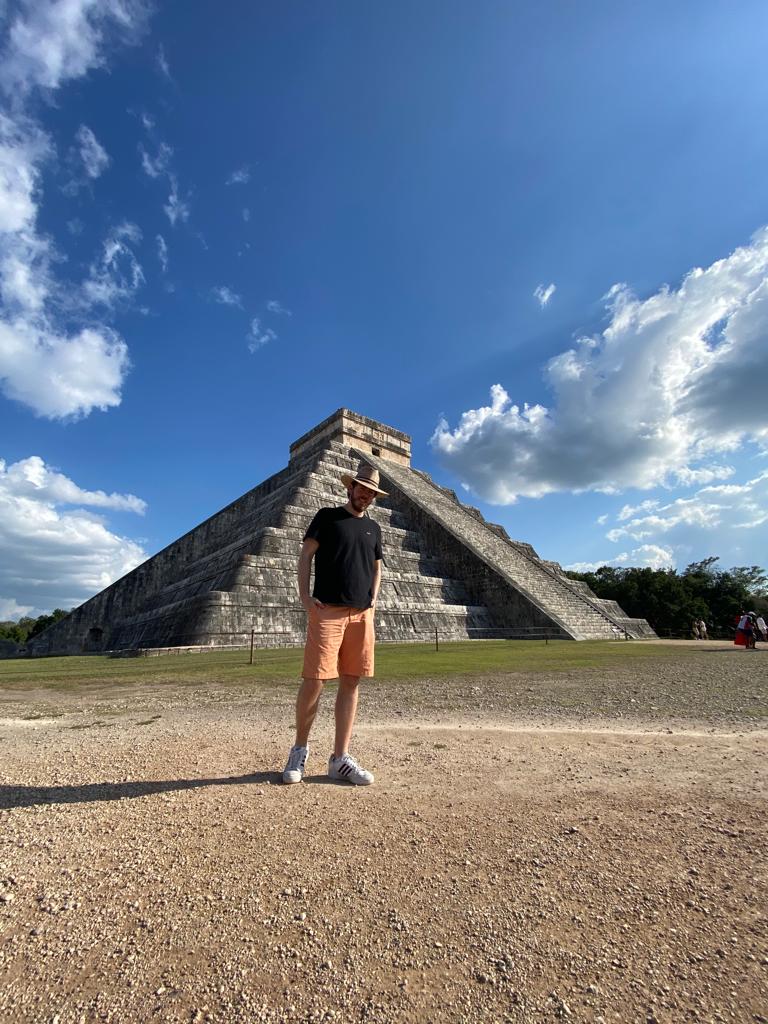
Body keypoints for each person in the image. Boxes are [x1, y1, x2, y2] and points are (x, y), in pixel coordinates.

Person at [282, 461, 386, 786]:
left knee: (351, 681)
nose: (366, 495)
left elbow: (376, 566)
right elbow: (305, 556)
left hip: (361, 614)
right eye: (362, 489)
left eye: (371, 492)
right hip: (327, 610)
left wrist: (373, 600)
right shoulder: (327, 516)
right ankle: (299, 749)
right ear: (350, 487)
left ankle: (339, 758)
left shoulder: (374, 528)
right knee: (315, 680)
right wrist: (304, 597)